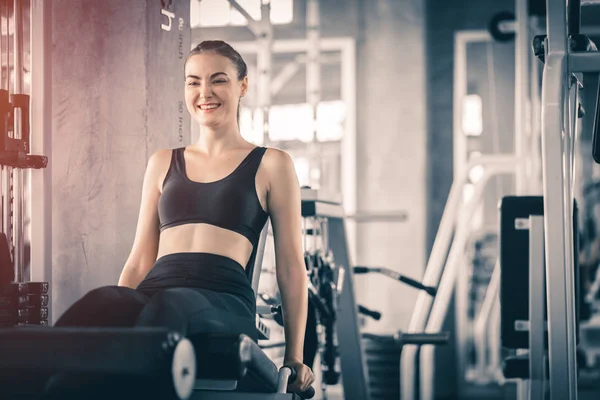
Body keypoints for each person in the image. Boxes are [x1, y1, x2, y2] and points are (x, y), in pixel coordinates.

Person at [54, 40, 314, 393]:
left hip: (223, 297)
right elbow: (140, 259)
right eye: (193, 81)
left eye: (218, 80)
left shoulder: (272, 163)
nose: (204, 92)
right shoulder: (163, 162)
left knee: (170, 306)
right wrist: (118, 314)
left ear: (243, 86)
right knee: (100, 303)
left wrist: (295, 356)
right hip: (156, 290)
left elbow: (290, 266)